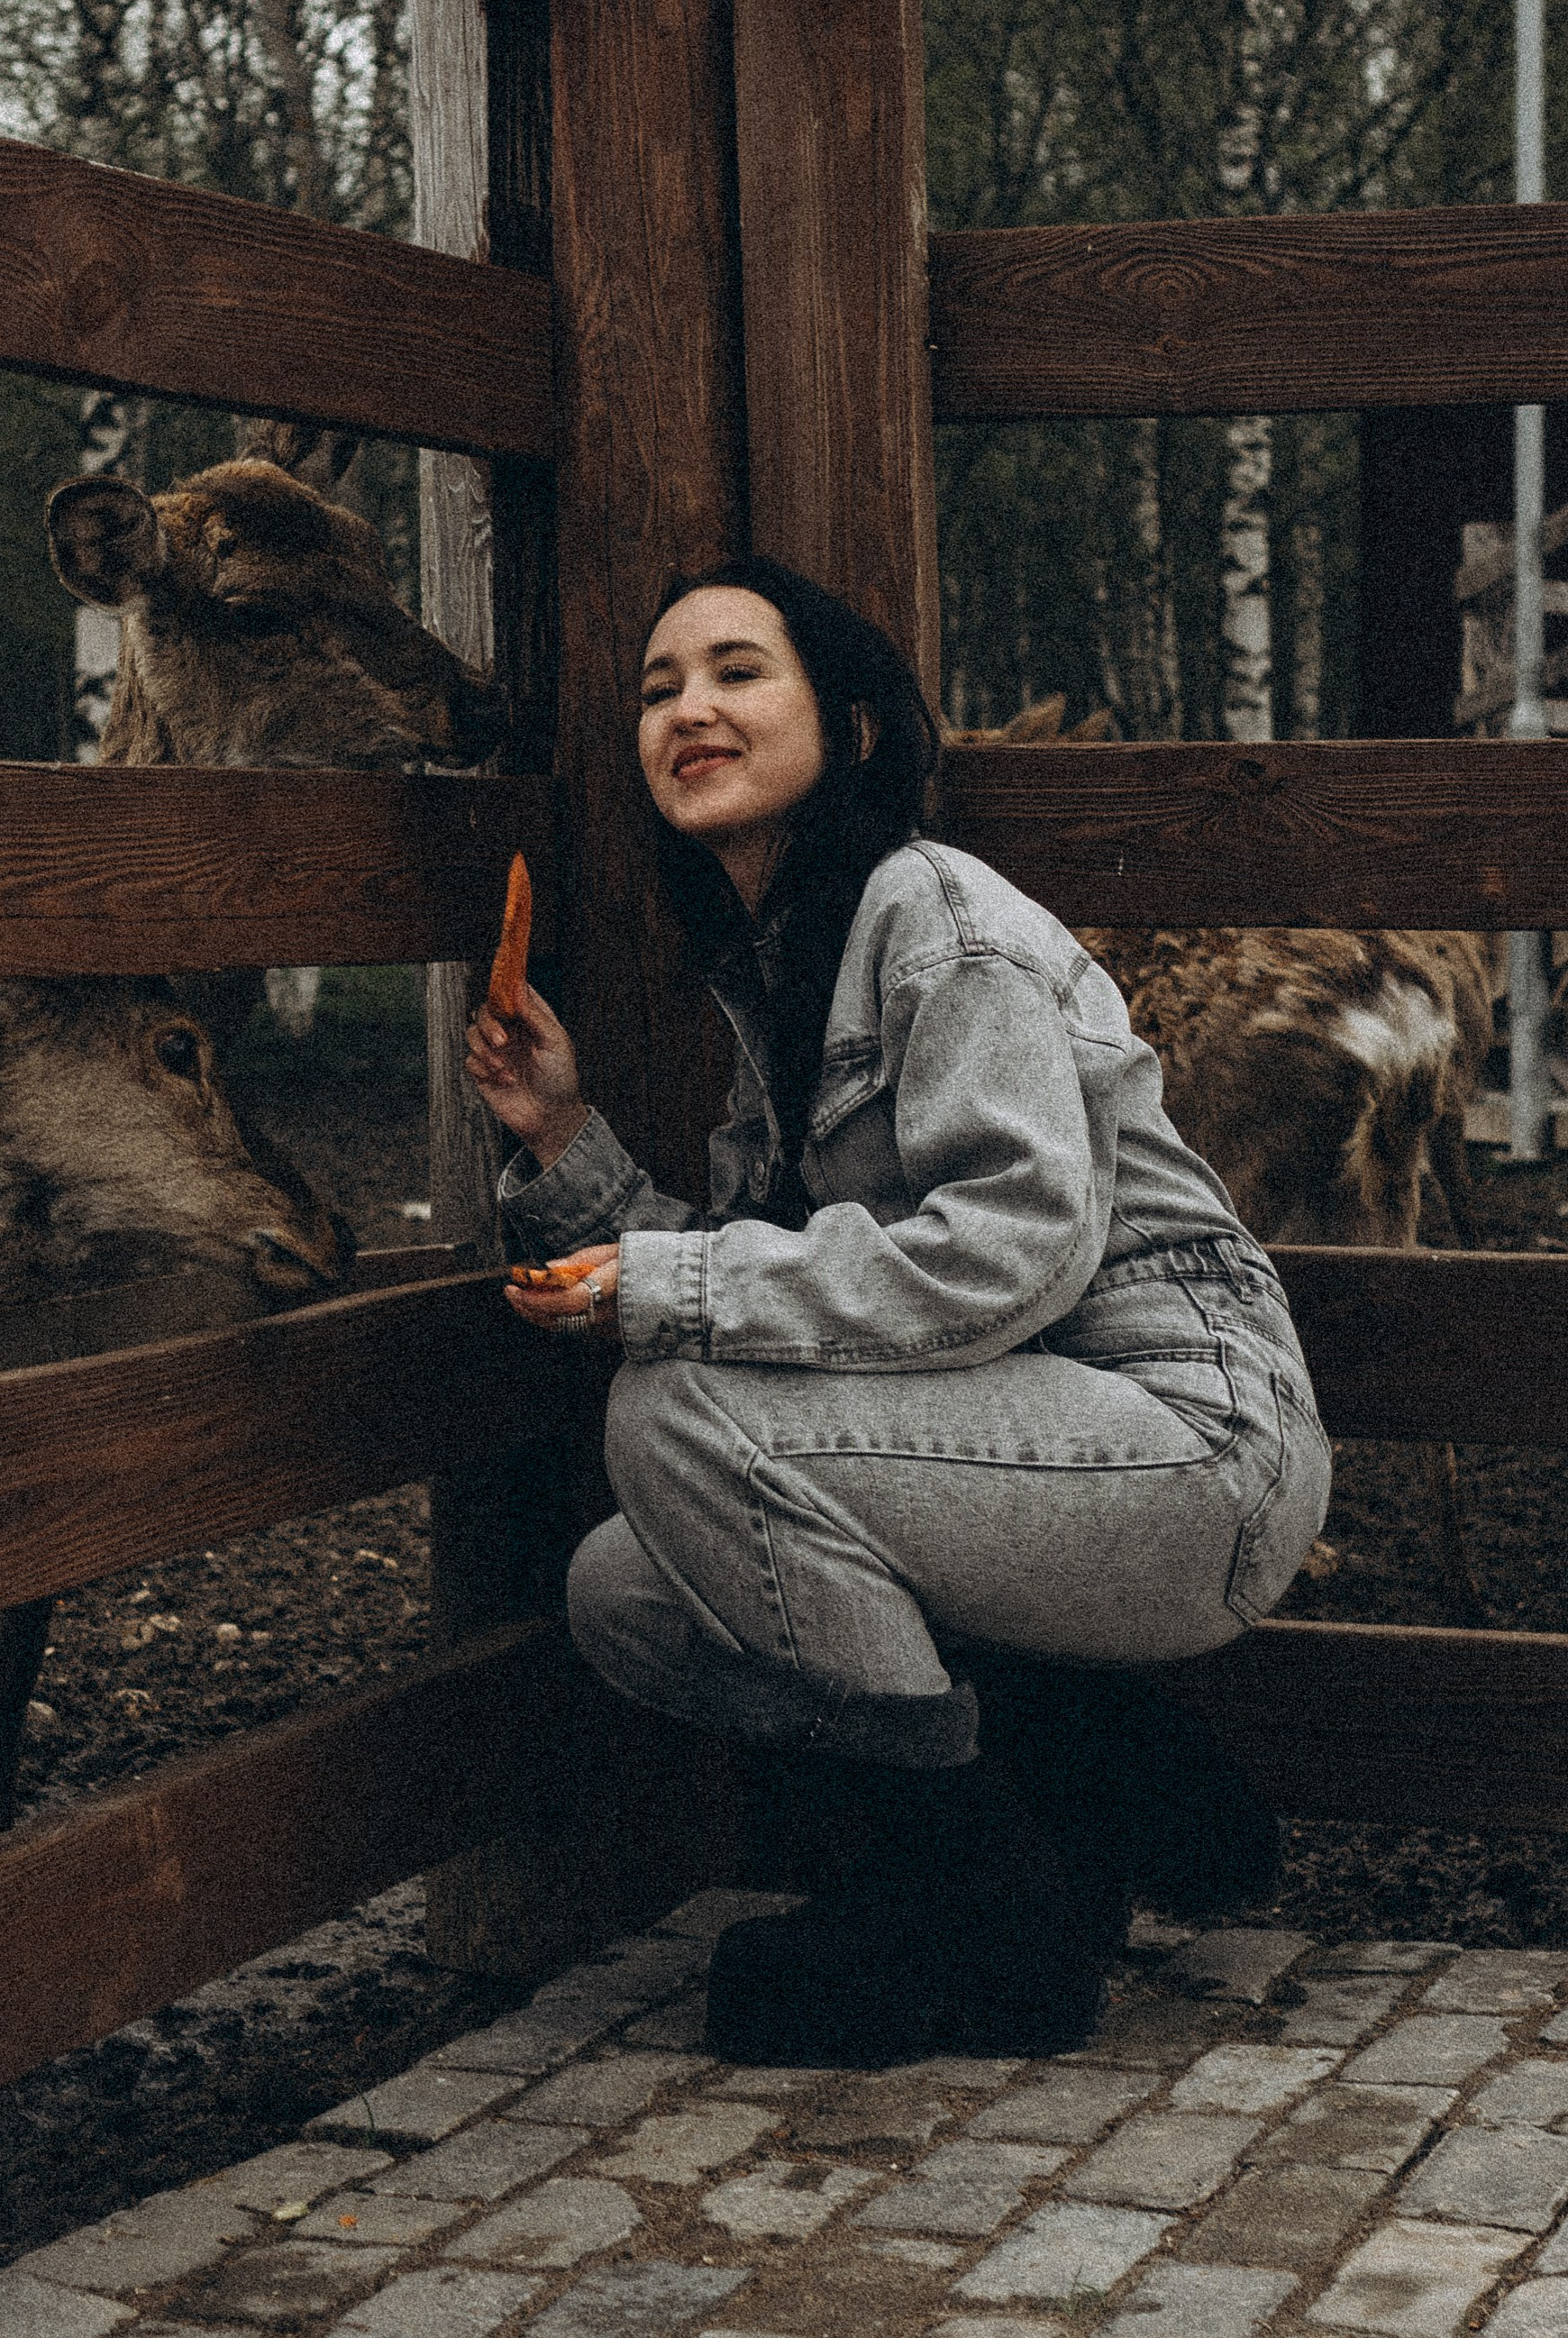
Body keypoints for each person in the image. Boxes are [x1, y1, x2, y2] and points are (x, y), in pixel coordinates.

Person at [466, 558, 1331, 2067]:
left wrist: (665, 1291)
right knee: (626, 1583)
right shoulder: (779, 977)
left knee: (674, 1402)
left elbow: (1009, 1254)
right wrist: (562, 1143)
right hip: (1018, 1467)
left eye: (738, 671)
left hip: (1186, 1447)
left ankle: (967, 1890)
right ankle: (1069, 1794)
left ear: (849, 726)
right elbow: (779, 1295)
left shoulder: (935, 919)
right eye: (658, 689)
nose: (689, 709)